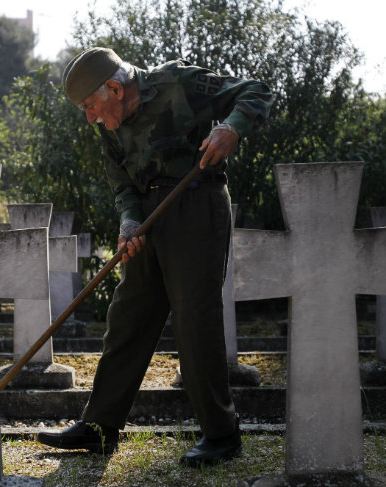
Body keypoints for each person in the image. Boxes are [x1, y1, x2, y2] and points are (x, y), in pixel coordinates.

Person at [37, 47, 273, 467]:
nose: (90, 117)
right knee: (127, 315)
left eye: (91, 105)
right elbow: (123, 185)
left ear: (113, 87)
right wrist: (129, 223)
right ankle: (100, 427)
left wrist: (232, 128)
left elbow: (255, 90)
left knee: (194, 320)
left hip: (195, 205)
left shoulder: (177, 83)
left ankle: (221, 435)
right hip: (148, 219)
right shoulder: (109, 127)